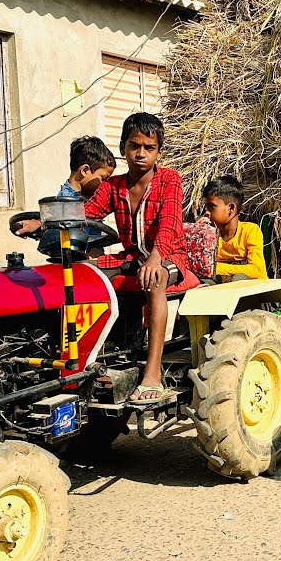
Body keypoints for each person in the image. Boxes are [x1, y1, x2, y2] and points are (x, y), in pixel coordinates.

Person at [85, 113, 194, 405]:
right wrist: (42, 224)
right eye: (135, 146)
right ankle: (94, 359)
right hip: (133, 256)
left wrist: (156, 258)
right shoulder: (113, 186)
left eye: (149, 147)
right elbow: (85, 215)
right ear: (123, 147)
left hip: (169, 255)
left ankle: (153, 372)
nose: (141, 154)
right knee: (86, 276)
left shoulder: (170, 180)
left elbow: (170, 224)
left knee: (154, 279)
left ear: (159, 152)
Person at [12, 135, 116, 257]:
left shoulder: (93, 199)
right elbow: (69, 238)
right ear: (85, 170)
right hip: (78, 264)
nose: (106, 184)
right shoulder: (65, 202)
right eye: (103, 178)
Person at [202, 175, 268, 282]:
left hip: (255, 291)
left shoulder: (250, 231)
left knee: (238, 279)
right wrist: (197, 234)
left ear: (231, 208)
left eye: (212, 206)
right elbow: (201, 267)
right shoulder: (210, 236)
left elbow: (256, 270)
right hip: (227, 292)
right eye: (206, 206)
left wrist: (216, 268)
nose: (206, 211)